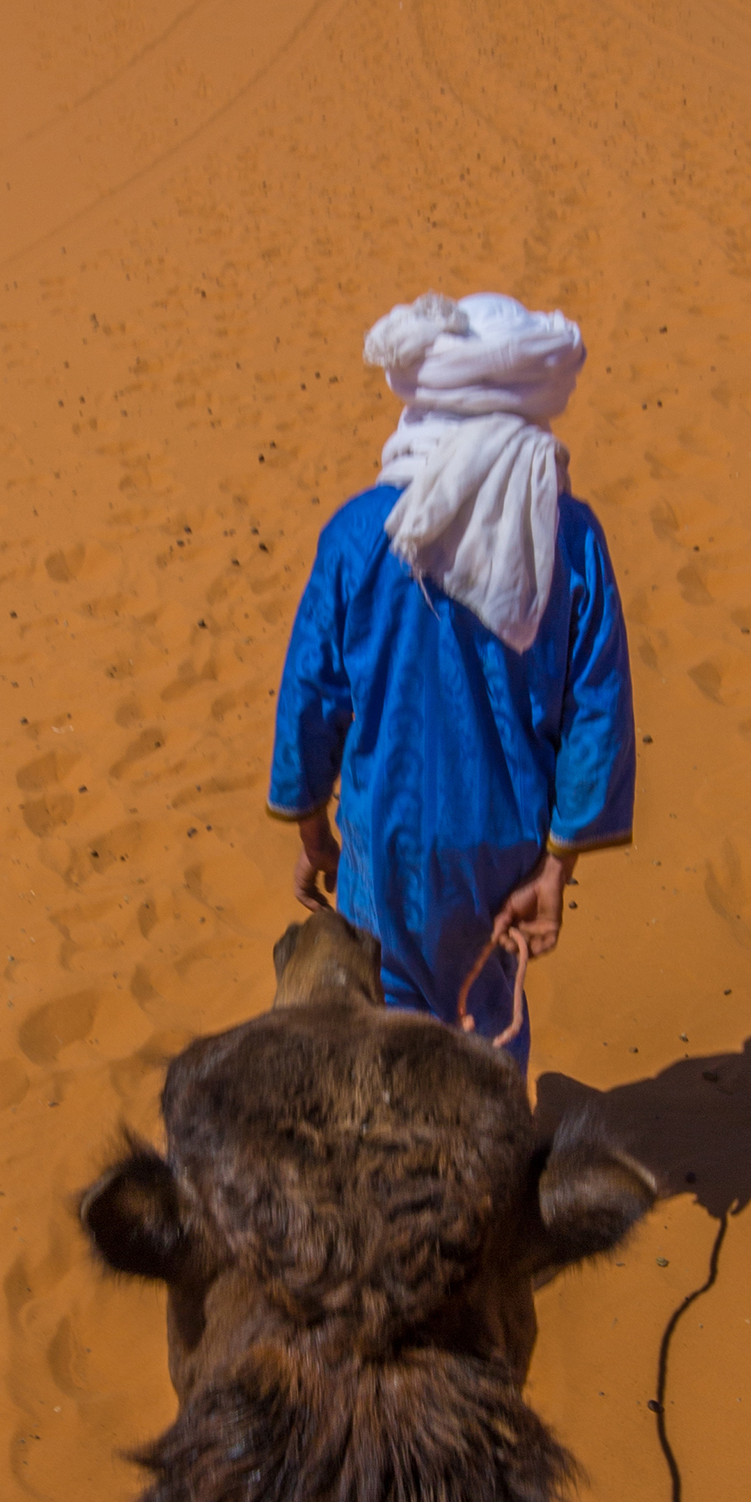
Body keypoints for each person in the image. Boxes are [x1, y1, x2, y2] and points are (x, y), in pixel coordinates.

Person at [268, 290, 635, 1072]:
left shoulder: (359, 533)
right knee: (484, 1019)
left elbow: (310, 696)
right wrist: (555, 867)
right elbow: (595, 713)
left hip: (385, 840)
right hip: (502, 845)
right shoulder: (570, 537)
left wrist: (309, 830)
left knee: (382, 1022)